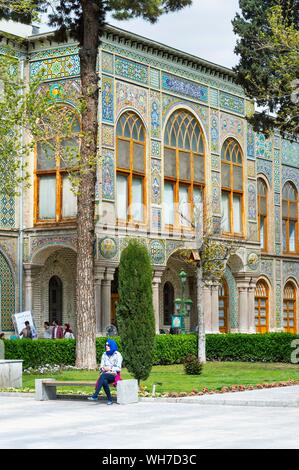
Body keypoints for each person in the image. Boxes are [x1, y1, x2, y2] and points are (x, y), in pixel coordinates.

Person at [88, 339, 122, 405]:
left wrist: (110, 368)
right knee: (104, 381)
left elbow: (119, 368)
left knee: (103, 376)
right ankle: (110, 400)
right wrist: (103, 368)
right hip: (105, 374)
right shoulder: (104, 354)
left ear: (112, 346)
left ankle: (95, 395)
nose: (106, 346)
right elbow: (101, 367)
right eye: (106, 345)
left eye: (108, 345)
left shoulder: (117, 355)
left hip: (114, 375)